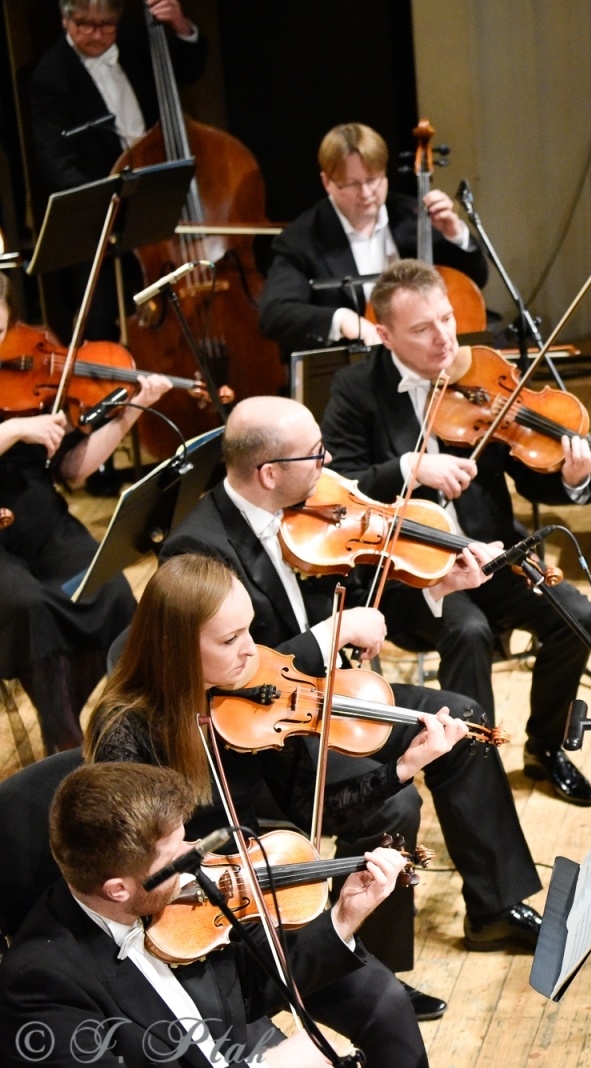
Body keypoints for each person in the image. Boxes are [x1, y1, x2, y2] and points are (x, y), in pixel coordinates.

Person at [159, 395, 546, 982]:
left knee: (459, 720)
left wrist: (437, 587)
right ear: (268, 472)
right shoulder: (198, 552)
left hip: (331, 698)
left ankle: (494, 907)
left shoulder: (306, 512)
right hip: (269, 734)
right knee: (395, 800)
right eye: (314, 454)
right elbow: (226, 682)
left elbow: (368, 593)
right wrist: (326, 636)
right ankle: (367, 970)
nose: (329, 461)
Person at [320, 260, 591, 806]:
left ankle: (544, 748)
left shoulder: (479, 378)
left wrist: (571, 477)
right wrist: (408, 467)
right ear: (384, 335)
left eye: (447, 319)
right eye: (422, 329)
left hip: (488, 551)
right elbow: (337, 483)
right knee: (469, 631)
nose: (444, 338)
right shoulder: (357, 389)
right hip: (411, 574)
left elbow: (527, 470)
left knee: (577, 613)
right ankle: (477, 776)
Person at [0, 761, 405, 1068]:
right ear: (118, 888)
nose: (196, 853)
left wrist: (345, 917)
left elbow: (243, 988)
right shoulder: (40, 985)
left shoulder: (165, 901)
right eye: (176, 855)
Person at [0, 277, 170, 752]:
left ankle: (133, 727)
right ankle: (64, 743)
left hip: (40, 521)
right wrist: (14, 430)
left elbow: (74, 469)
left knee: (110, 589)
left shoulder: (28, 370)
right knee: (31, 609)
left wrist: (130, 412)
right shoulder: (19, 415)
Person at [28, 0, 206, 341]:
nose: (96, 34)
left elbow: (189, 70)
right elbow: (54, 160)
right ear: (64, 19)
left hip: (161, 197)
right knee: (100, 320)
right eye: (84, 24)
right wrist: (110, 197)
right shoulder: (50, 76)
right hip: (104, 217)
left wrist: (181, 26)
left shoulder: (137, 41)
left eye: (106, 25)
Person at [256, 122, 489, 360]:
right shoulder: (301, 240)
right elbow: (275, 314)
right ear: (327, 182)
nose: (366, 193)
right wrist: (344, 319)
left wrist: (454, 233)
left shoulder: (416, 216)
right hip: (357, 375)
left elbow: (476, 280)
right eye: (353, 184)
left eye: (374, 179)